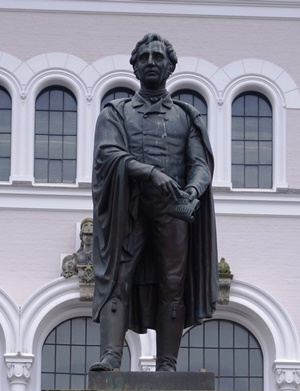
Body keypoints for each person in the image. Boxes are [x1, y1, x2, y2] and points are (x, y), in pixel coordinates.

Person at [89, 33, 218, 372]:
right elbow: (108, 153)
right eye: (144, 57)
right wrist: (149, 173)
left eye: (157, 57)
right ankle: (112, 358)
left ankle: (167, 365)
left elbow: (200, 164)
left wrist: (193, 191)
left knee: (173, 283)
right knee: (117, 275)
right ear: (134, 66)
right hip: (126, 205)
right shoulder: (116, 112)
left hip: (173, 207)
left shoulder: (187, 116)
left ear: (170, 67)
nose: (150, 62)